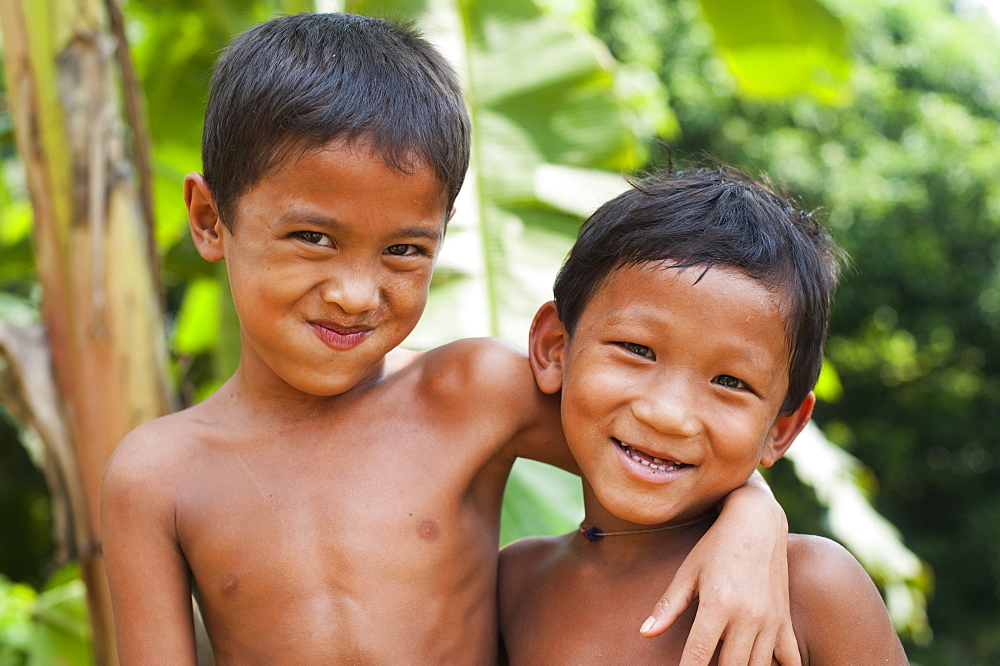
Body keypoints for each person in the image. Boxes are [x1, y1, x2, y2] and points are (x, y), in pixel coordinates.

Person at [101, 14, 800, 664]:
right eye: (313, 238)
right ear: (209, 218)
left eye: (404, 250)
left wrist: (754, 517)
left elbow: (663, 449)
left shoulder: (473, 392)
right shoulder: (157, 476)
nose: (355, 293)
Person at [499, 165, 909, 664]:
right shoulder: (516, 584)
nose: (670, 416)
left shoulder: (810, 587)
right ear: (555, 348)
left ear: (781, 429)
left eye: (731, 382)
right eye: (636, 349)